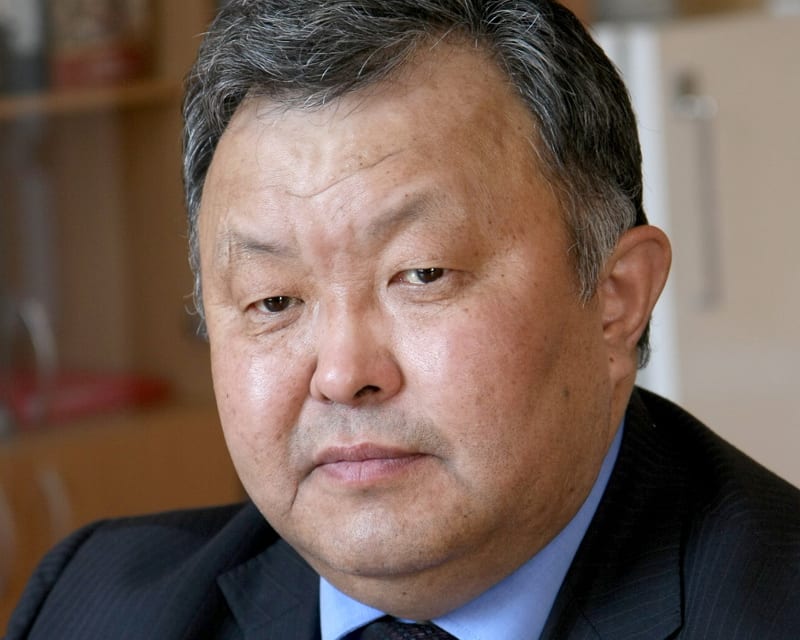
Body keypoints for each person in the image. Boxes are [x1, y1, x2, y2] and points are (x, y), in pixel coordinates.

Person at [6, 1, 800, 638]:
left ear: (615, 297)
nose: (343, 374)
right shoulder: (92, 607)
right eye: (274, 301)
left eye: (422, 274)